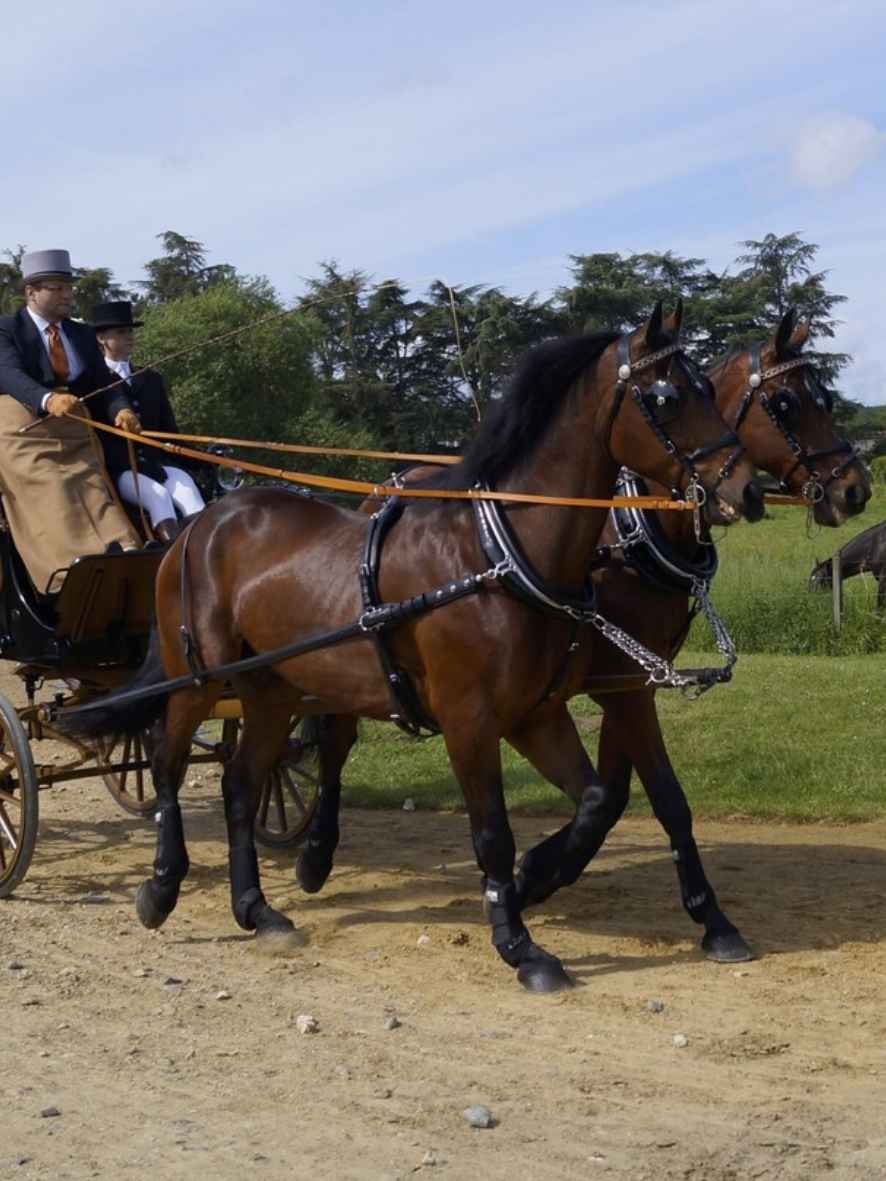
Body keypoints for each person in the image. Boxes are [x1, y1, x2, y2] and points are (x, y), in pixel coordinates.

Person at [0, 249, 143, 593]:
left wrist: (120, 408)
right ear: (31, 291)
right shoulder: (6, 328)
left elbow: (104, 383)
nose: (68, 295)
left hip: (76, 428)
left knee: (95, 489)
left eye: (70, 287)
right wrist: (47, 399)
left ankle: (124, 552)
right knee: (52, 489)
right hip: (23, 431)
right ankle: (68, 575)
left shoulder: (80, 334)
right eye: (58, 288)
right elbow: (8, 373)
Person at [92, 301, 206, 543]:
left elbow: (168, 430)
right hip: (121, 470)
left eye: (130, 332)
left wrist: (201, 460)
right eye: (121, 332)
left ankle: (202, 555)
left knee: (189, 492)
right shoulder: (93, 384)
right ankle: (172, 559)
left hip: (158, 463)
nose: (129, 337)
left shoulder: (151, 378)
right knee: (158, 496)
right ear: (102, 338)